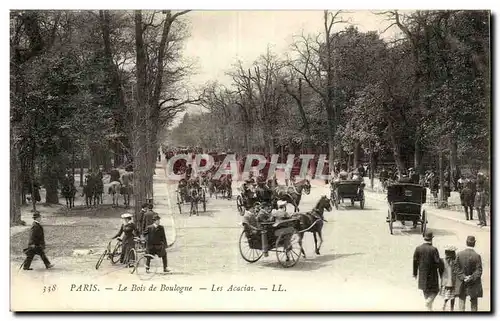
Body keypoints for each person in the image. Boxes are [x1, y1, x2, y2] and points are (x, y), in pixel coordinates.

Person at [413, 231, 443, 311]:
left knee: (425, 291)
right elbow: (437, 263)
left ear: (424, 238)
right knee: (435, 291)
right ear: (431, 239)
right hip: (432, 275)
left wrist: (415, 273)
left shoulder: (418, 248)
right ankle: (428, 302)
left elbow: (415, 262)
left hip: (422, 274)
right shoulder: (433, 249)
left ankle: (429, 309)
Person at [454, 236, 483, 311]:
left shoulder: (459, 254)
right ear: (474, 243)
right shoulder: (477, 256)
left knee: (461, 301)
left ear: (466, 242)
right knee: (474, 303)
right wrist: (471, 277)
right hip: (473, 282)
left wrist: (463, 277)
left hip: (462, 282)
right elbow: (479, 270)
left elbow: (456, 268)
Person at [440, 245, 458, 311]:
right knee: (453, 297)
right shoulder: (455, 261)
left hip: (445, 282)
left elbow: (440, 271)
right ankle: (452, 309)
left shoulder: (442, 260)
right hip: (453, 282)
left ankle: (444, 306)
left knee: (446, 296)